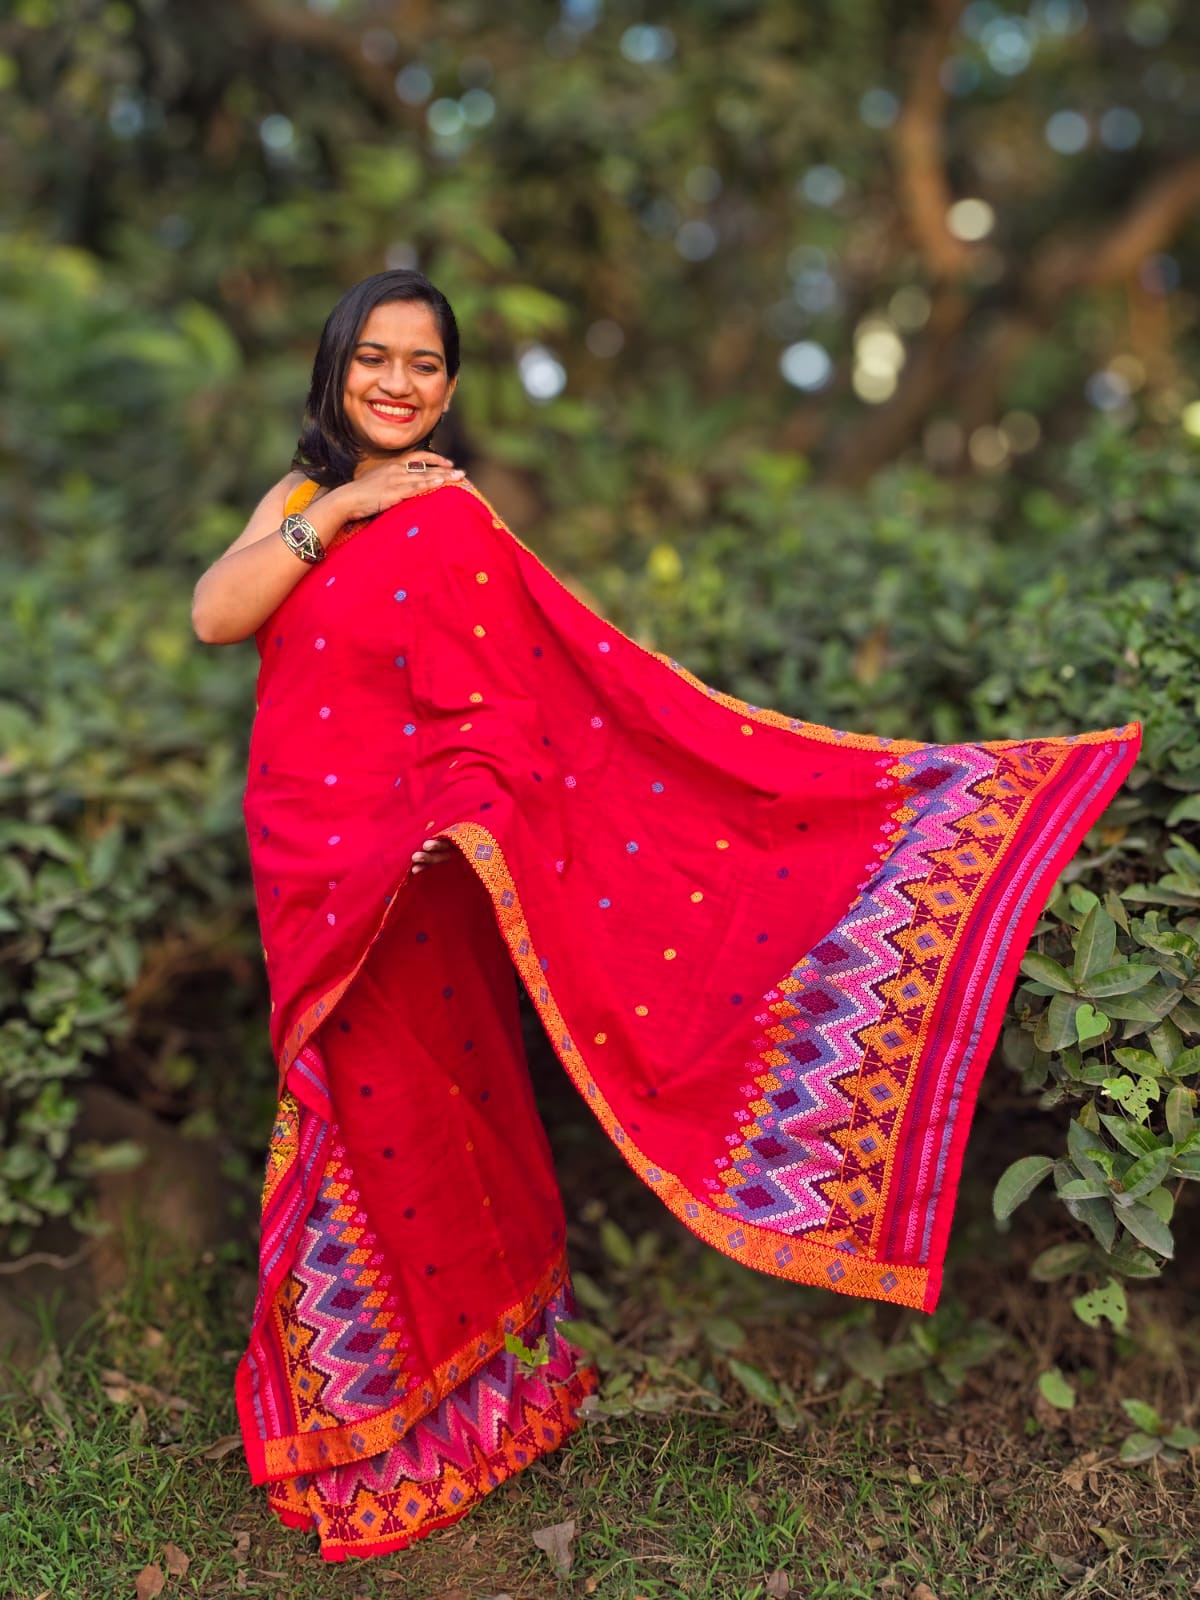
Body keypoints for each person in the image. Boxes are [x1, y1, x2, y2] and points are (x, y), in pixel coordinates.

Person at [193, 269, 1140, 1563]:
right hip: (307, 857)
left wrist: (460, 809)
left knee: (431, 1104)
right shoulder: (305, 499)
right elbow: (217, 613)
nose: (396, 383)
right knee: (344, 1103)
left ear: (451, 389)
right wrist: (346, 504)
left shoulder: (454, 517)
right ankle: (351, 1409)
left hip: (413, 875)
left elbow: (525, 699)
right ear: (335, 367)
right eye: (375, 357)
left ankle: (467, 1408)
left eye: (423, 363)